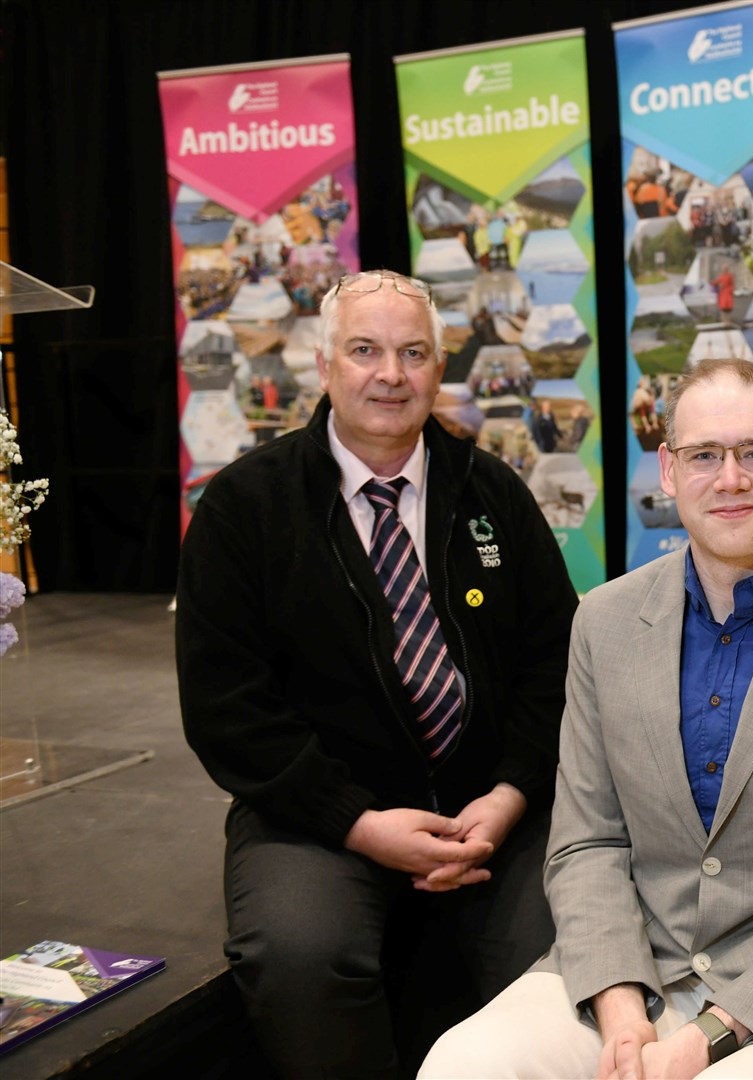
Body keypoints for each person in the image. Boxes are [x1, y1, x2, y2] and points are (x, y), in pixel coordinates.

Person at [421, 358, 753, 1080]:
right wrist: (620, 1004)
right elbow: (585, 844)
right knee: (461, 1063)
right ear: (667, 471)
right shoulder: (603, 622)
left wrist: (707, 1037)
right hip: (632, 969)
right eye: (703, 456)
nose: (729, 479)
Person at [176, 269, 578, 1078]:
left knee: (569, 952)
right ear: (323, 367)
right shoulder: (244, 507)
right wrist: (359, 824)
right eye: (364, 350)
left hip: (493, 807)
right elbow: (228, 708)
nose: (390, 374)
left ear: (438, 370)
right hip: (319, 815)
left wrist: (508, 797)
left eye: (413, 353)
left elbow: (557, 667)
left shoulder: (493, 492)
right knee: (298, 954)